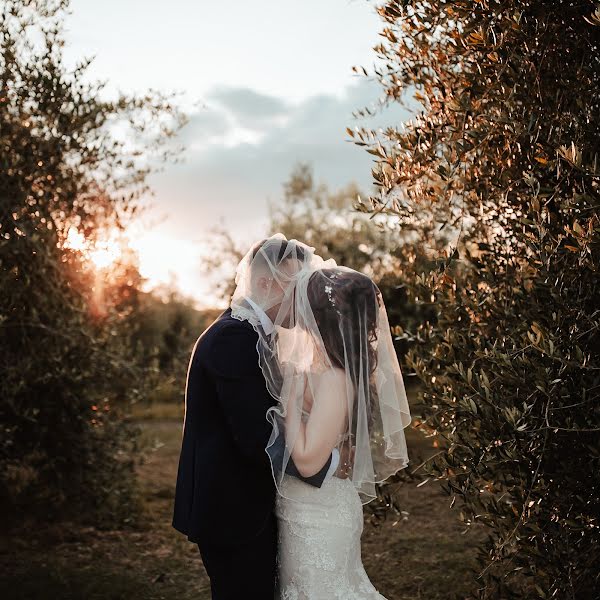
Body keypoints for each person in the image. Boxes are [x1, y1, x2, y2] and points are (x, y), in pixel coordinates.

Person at [233, 239, 412, 599]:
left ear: (321, 317)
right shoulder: (324, 369)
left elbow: (306, 458)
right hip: (306, 511)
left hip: (319, 516)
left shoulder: (333, 377)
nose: (296, 311)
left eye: (304, 303)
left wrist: (291, 399)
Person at [172, 234, 342, 599]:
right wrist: (329, 466)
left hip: (245, 508)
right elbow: (256, 439)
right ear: (266, 283)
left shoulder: (254, 334)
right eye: (297, 286)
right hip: (232, 514)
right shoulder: (234, 338)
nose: (305, 298)